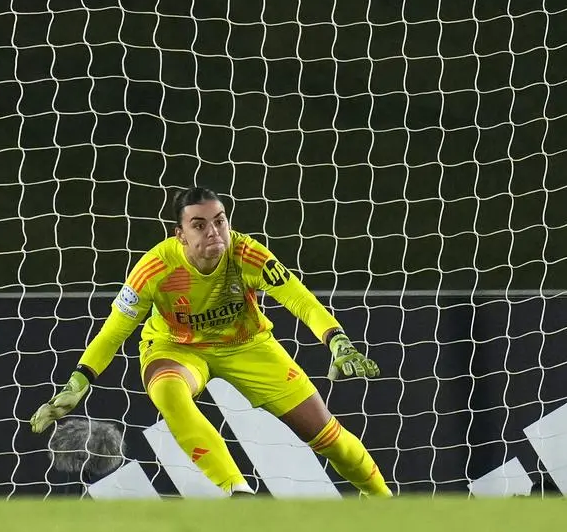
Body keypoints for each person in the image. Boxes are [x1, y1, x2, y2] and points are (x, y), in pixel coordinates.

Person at [30, 186, 390, 497]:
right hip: (177, 347)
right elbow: (113, 331)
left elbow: (300, 300)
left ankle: (383, 499)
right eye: (199, 225)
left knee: (326, 434)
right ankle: (238, 491)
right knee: (169, 393)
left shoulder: (247, 254)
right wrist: (79, 381)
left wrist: (337, 340)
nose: (214, 231)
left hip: (248, 345)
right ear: (180, 235)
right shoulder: (155, 269)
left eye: (219, 221)